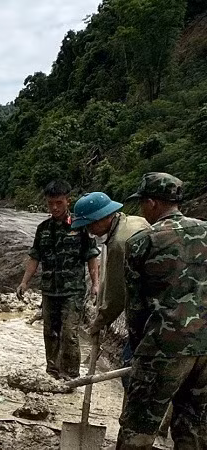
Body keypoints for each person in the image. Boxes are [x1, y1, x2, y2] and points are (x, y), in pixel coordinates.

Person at [116, 173, 207, 449]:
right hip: (205, 348)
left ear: (153, 203)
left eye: (143, 203)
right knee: (194, 428)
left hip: (163, 347)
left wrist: (136, 350)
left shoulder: (143, 242)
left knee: (138, 429)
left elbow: (136, 309)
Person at [17, 180, 100, 380]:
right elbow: (34, 257)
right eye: (50, 203)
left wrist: (96, 284)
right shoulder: (43, 228)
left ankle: (70, 376)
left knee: (69, 334)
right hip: (49, 290)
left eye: (59, 203)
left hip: (73, 291)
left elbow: (91, 257)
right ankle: (52, 373)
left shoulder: (81, 227)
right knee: (50, 333)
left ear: (67, 201)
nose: (54, 207)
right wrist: (24, 282)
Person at [71, 192, 149, 381]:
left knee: (132, 373)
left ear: (104, 217)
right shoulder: (135, 221)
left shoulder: (120, 243)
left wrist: (100, 322)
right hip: (159, 304)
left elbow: (117, 293)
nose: (90, 231)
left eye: (90, 224)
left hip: (150, 313)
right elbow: (113, 274)